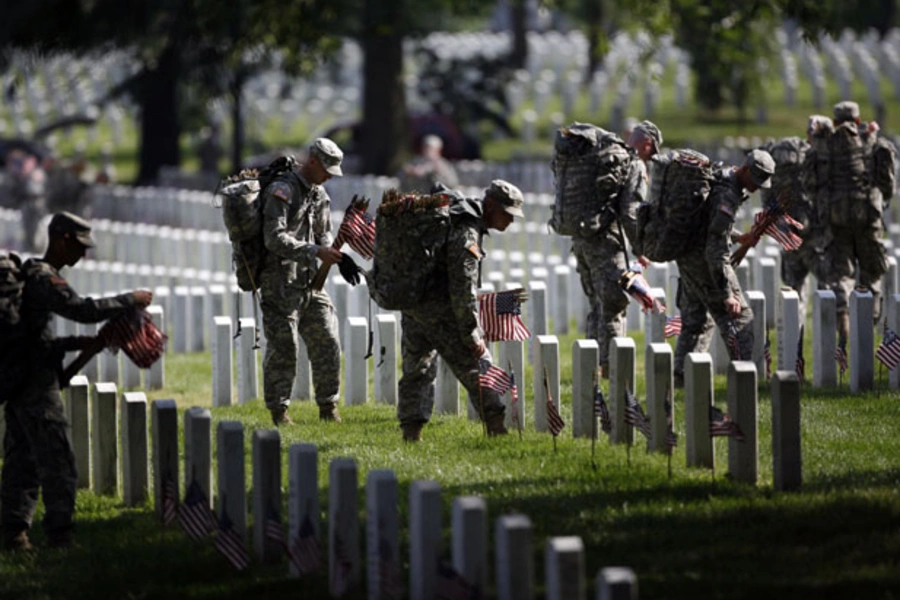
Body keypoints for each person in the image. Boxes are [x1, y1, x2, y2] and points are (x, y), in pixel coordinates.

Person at [2, 212, 152, 551]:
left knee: (21, 458)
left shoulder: (32, 276)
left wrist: (80, 345)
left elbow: (34, 338)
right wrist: (131, 299)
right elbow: (83, 309)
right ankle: (60, 535)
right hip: (36, 385)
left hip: (19, 379)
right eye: (79, 246)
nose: (83, 255)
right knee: (58, 459)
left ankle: (14, 533)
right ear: (61, 239)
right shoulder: (43, 278)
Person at [398, 179, 524, 442]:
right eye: (507, 214)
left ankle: (411, 432)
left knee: (416, 368)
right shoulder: (467, 231)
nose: (511, 222)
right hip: (439, 310)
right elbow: (463, 288)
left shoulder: (456, 219)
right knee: (474, 366)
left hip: (414, 301)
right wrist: (472, 335)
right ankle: (496, 427)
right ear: (490, 206)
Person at [259, 137, 347, 426]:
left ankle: (328, 406)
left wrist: (329, 251)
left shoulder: (320, 195)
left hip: (311, 283)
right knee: (284, 347)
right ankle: (279, 410)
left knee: (328, 340)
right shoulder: (282, 190)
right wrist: (314, 250)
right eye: (326, 169)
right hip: (280, 283)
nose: (328, 177)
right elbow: (274, 238)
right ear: (312, 162)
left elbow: (323, 232)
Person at [673, 150, 775, 386]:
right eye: (756, 180)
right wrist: (726, 294)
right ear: (746, 169)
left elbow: (711, 226)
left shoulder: (721, 176)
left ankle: (682, 377)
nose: (757, 187)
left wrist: (739, 238)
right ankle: (744, 382)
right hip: (705, 262)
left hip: (688, 257)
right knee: (741, 321)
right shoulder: (728, 195)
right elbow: (715, 248)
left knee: (696, 320)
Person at [571, 120, 659, 376]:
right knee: (614, 304)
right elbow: (630, 211)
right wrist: (640, 248)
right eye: (652, 153)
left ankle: (589, 366)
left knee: (596, 304)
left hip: (580, 238)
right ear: (647, 144)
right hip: (605, 242)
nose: (651, 159)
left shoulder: (600, 158)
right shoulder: (633, 164)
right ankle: (610, 368)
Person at [803, 101, 896, 340]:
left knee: (841, 273)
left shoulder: (823, 145)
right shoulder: (871, 141)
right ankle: (866, 329)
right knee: (871, 272)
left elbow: (810, 184)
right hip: (867, 216)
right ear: (857, 120)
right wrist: (880, 200)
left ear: (834, 122)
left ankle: (843, 320)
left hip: (835, 217)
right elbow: (886, 181)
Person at [5, 147, 48, 252]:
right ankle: (28, 249)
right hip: (26, 203)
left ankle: (35, 249)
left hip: (37, 203)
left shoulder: (38, 172)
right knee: (25, 231)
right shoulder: (22, 173)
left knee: (37, 230)